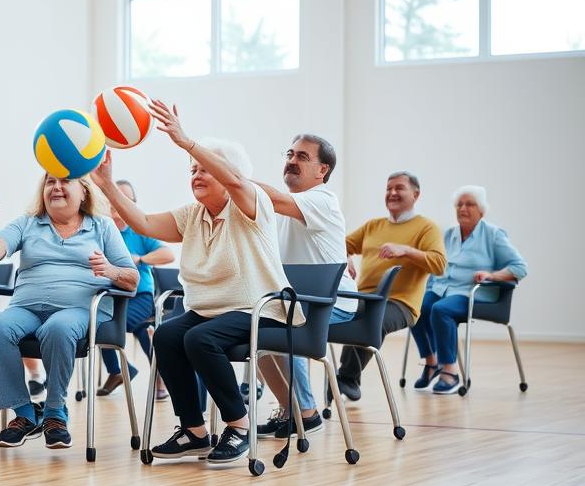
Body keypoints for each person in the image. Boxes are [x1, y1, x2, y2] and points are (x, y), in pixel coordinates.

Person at [92, 100, 303, 466]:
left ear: (226, 173)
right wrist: (108, 185)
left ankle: (238, 425)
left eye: (205, 168)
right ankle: (194, 430)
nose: (196, 175)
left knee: (198, 338)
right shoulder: (192, 215)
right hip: (211, 312)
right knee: (169, 336)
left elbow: (237, 181)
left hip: (260, 309)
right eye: (192, 170)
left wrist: (186, 141)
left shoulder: (251, 204)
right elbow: (142, 222)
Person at [0, 174, 138, 450]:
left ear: (84, 192)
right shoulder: (27, 223)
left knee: (57, 327)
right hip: (26, 307)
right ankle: (25, 413)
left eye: (66, 181)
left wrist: (109, 270)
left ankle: (54, 412)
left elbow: (132, 280)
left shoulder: (102, 227)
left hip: (79, 310)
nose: (56, 187)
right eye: (50, 182)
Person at [250, 134, 357, 438]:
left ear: (322, 170)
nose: (292, 161)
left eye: (302, 157)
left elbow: (268, 198)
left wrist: (229, 175)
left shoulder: (323, 200)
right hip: (299, 303)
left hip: (334, 305)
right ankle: (291, 409)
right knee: (254, 328)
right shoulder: (283, 211)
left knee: (284, 326)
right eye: (290, 154)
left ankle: (306, 413)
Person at [334, 171, 447, 401]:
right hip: (365, 297)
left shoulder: (427, 228)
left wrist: (406, 250)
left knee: (375, 318)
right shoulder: (373, 226)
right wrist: (346, 257)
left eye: (399, 188)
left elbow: (439, 264)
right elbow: (338, 244)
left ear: (415, 194)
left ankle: (346, 378)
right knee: (348, 313)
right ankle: (345, 379)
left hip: (401, 303)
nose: (392, 193)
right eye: (388, 189)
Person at [410, 185, 527, 394]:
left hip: (474, 294)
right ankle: (431, 361)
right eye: (459, 204)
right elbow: (437, 265)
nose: (463, 208)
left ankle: (450, 372)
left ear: (481, 210)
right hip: (442, 288)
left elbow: (519, 268)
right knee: (413, 308)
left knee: (441, 310)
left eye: (469, 204)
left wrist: (492, 275)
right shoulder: (448, 235)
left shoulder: (493, 235)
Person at [96, 179, 175, 397]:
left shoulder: (139, 231)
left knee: (109, 324)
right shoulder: (103, 230)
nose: (118, 205)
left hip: (140, 296)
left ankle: (123, 372)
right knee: (100, 319)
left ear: (132, 203)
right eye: (113, 199)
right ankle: (123, 371)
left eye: (125, 200)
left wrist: (140, 258)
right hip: (111, 295)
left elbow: (168, 254)